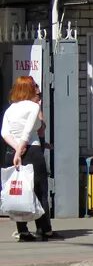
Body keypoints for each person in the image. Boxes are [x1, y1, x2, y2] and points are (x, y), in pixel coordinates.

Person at [2, 76, 61, 241]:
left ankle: (23, 231)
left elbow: (4, 133)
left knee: (18, 190)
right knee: (40, 190)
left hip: (11, 152)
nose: (37, 88)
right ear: (29, 88)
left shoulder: (10, 109)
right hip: (32, 151)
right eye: (34, 86)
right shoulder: (34, 106)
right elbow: (28, 131)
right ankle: (44, 229)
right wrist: (21, 149)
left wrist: (15, 150)